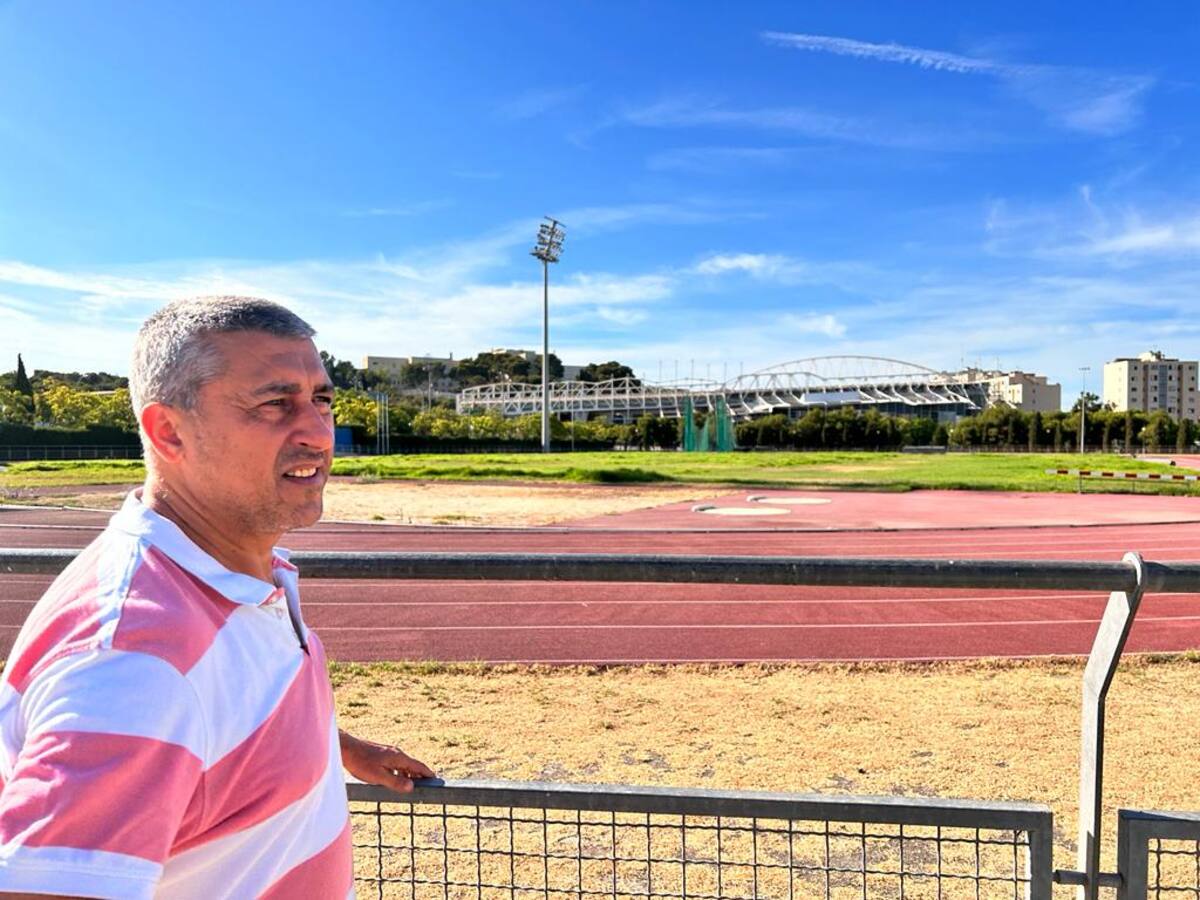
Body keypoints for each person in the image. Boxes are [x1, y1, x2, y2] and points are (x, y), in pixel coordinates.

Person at [0, 297, 434, 899]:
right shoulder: (134, 661)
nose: (318, 432)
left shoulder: (229, 574)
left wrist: (338, 748)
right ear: (169, 432)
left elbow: (224, 711)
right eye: (275, 403)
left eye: (321, 399)